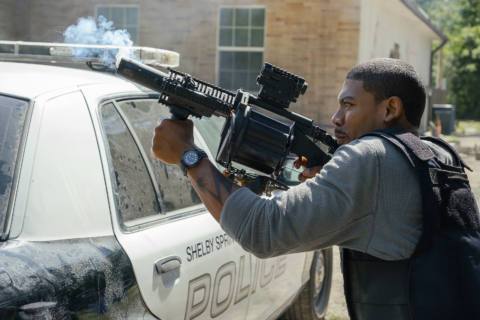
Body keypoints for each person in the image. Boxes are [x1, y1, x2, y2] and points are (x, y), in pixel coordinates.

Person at [151, 58, 480, 320]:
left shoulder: (368, 158)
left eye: (349, 105)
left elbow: (261, 230)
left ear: (390, 109)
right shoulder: (436, 152)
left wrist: (188, 154)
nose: (335, 118)